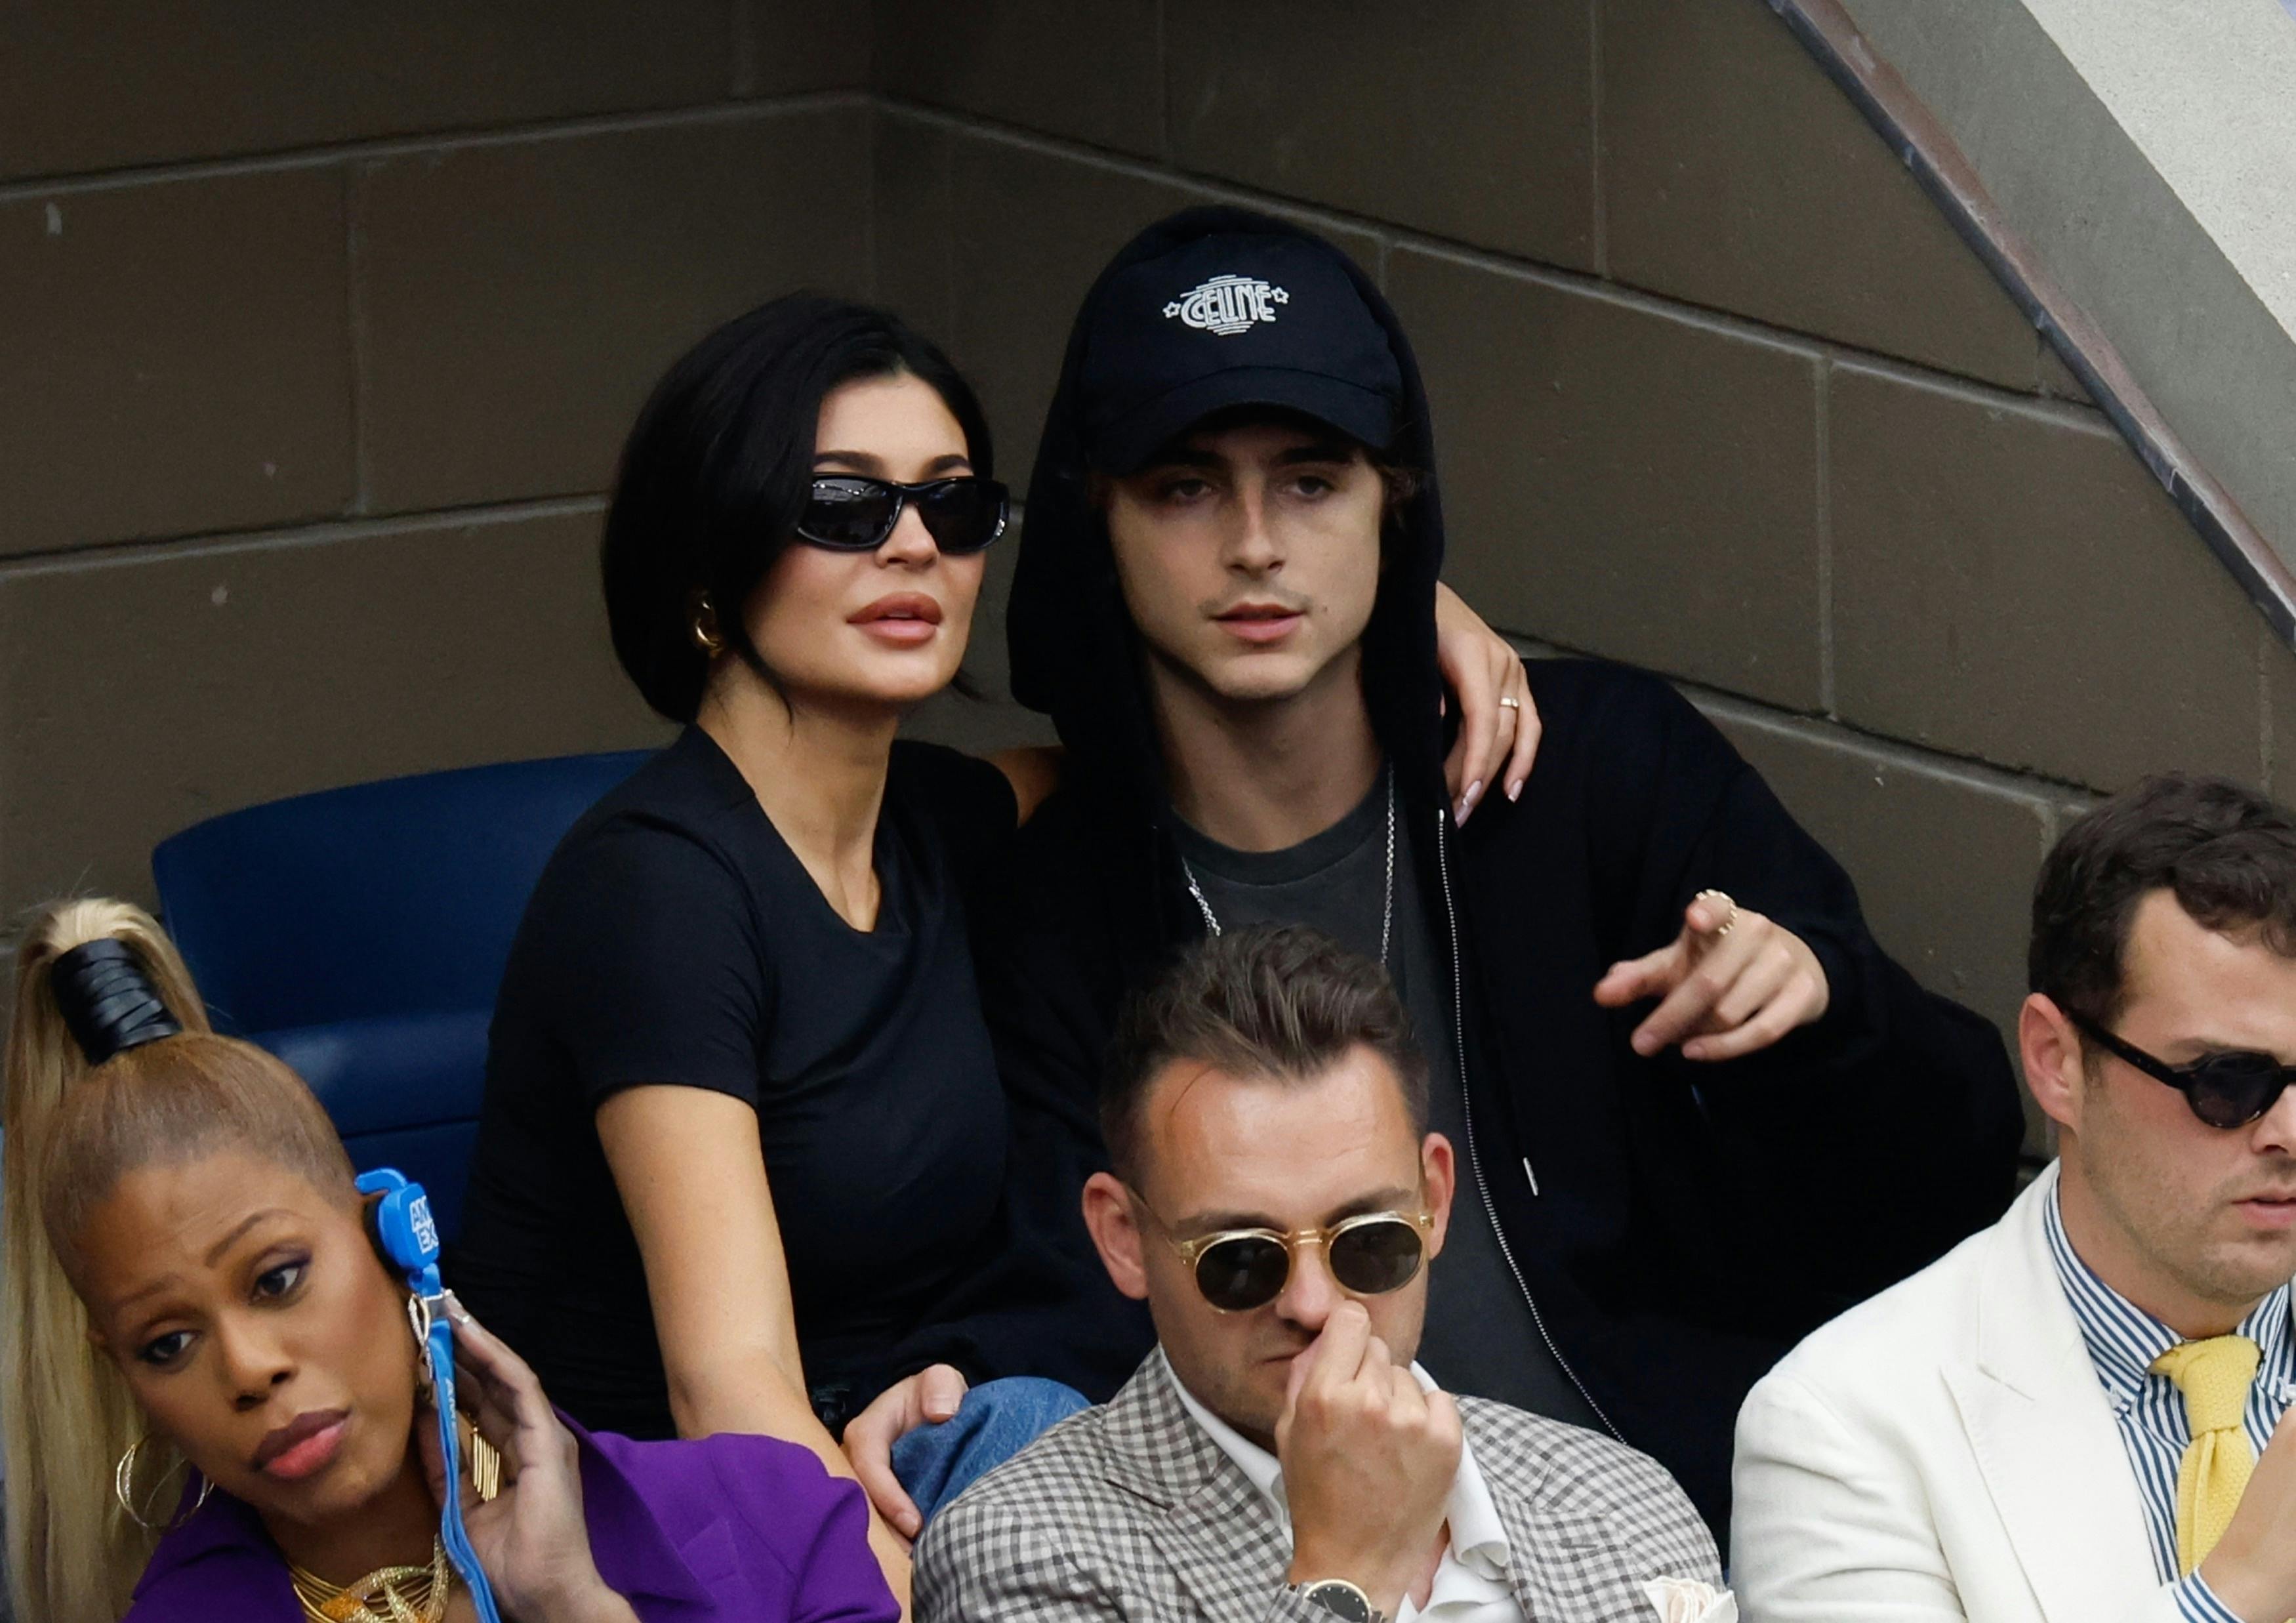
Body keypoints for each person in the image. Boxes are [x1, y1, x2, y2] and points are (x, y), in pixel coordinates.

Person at [850, 206, 2025, 1537]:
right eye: (1183, 488)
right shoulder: (1061, 899)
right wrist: (960, 1372)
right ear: (1097, 522)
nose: (1252, 543)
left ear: (1392, 500)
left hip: (1687, 1538)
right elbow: (1070, 1278)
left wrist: (1823, 1007)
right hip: (1299, 1557)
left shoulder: (1593, 778)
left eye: (1310, 480)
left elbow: (1963, 1155)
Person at [446, 294, 1533, 1595]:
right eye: (844, 508)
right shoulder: (660, 896)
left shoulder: (927, 825)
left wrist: (1405, 610)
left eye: (952, 508)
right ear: (712, 561)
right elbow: (726, 1392)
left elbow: (1166, 733)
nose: (911, 548)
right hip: (660, 1518)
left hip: (919, 1448)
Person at [0, 899, 897, 1623]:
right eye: (167, 1342)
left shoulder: (772, 1516)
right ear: (121, 1371)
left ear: (394, 1236)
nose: (248, 1366)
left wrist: (572, 1608)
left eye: (277, 1279)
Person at [914, 924, 1729, 1622]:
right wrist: (1349, 1573)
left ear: (1434, 1200)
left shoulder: (1623, 1501)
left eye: (1366, 1241)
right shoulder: (1020, 1548)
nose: (1310, 1303)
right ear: (1123, 1237)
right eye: (1240, 1257)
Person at [1732, 773, 2296, 1623]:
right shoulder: (1841, 1426)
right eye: (2229, 1079)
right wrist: (2235, 1597)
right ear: (2057, 1061)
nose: (2289, 1130)